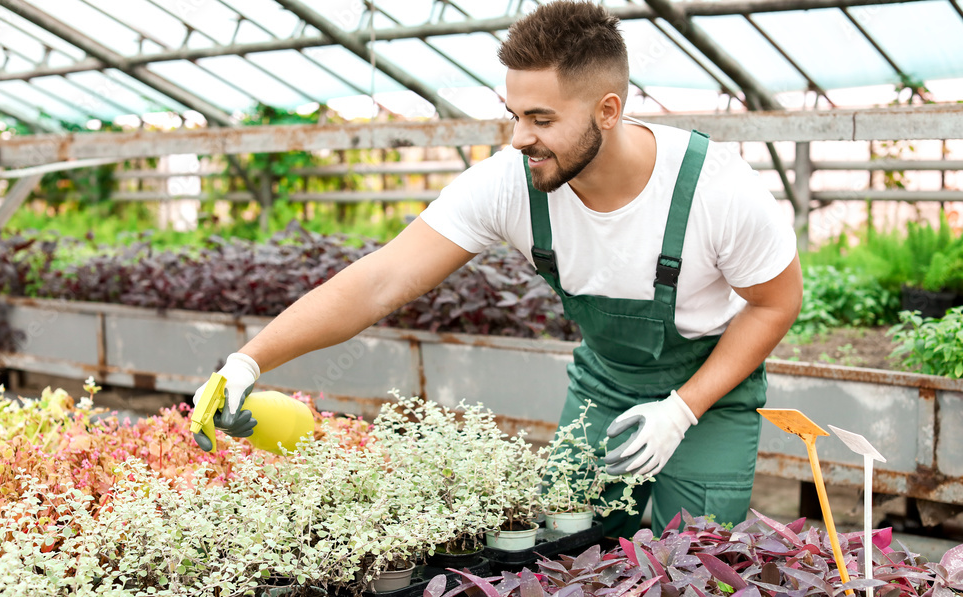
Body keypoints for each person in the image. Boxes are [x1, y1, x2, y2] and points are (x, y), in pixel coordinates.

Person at [193, 1, 802, 537]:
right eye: (512, 114)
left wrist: (682, 409)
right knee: (572, 548)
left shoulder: (714, 189)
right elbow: (382, 279)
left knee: (701, 567)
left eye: (540, 119)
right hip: (604, 386)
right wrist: (249, 360)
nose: (518, 137)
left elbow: (776, 303)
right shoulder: (511, 184)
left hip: (709, 392)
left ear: (608, 110)